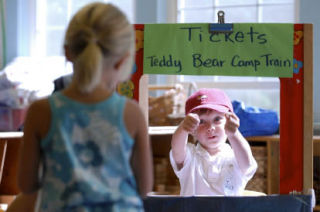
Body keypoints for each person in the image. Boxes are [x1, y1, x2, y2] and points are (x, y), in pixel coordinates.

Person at [17, 2, 153, 211]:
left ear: (68, 53)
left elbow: (26, 185)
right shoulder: (131, 113)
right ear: (123, 60)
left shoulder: (41, 111)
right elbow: (144, 188)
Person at [170, 88, 257, 196]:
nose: (210, 128)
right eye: (201, 121)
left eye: (217, 119)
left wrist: (234, 134)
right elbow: (177, 150)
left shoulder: (235, 156)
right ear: (192, 130)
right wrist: (183, 128)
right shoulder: (190, 156)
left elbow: (247, 164)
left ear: (229, 120)